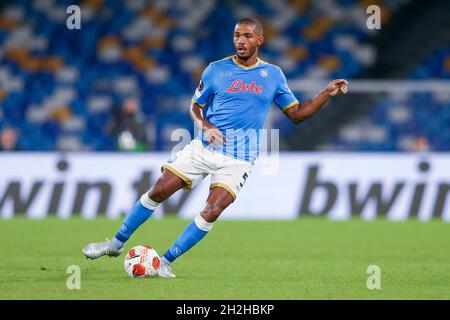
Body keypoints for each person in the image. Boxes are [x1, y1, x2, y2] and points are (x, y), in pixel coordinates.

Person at [82, 18, 348, 278]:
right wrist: (205, 126)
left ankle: (165, 261)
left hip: (240, 159)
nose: (240, 41)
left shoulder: (273, 75)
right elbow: (194, 107)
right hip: (205, 147)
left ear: (260, 40)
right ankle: (116, 244)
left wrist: (325, 93)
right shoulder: (215, 70)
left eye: (246, 36)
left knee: (212, 210)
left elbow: (298, 114)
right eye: (236, 35)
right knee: (160, 188)